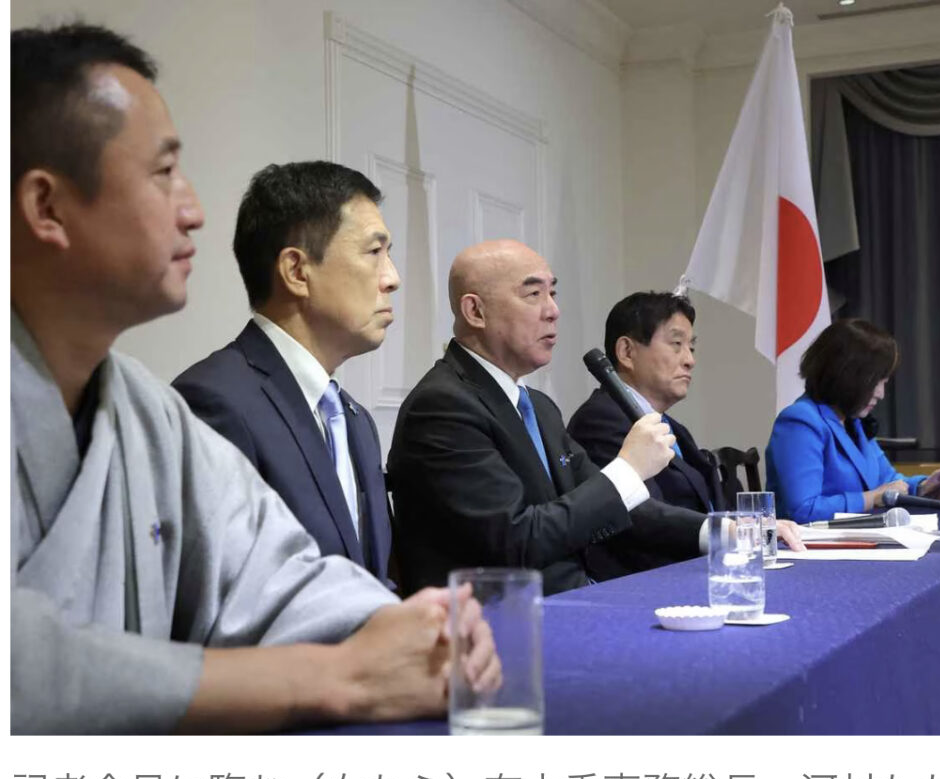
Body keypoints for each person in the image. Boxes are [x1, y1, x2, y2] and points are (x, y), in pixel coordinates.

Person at [11, 23, 498, 734]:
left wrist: (411, 631)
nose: (194, 210)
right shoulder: (212, 398)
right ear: (47, 207)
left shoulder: (145, 410)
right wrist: (334, 676)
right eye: (163, 172)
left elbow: (276, 571)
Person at [387, 239, 708, 596]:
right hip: (502, 619)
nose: (553, 310)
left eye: (552, 293)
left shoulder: (539, 407)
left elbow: (619, 505)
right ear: (475, 311)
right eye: (533, 294)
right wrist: (629, 469)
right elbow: (517, 541)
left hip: (575, 600)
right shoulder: (442, 407)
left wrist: (720, 532)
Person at [174, 162, 395, 585]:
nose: (392, 278)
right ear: (296, 271)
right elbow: (221, 592)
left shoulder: (354, 419)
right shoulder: (214, 403)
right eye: (374, 252)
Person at [766, 318, 940, 523]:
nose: (881, 394)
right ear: (845, 376)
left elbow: (887, 480)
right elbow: (804, 509)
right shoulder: (800, 421)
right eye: (875, 382)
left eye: (884, 382)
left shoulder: (853, 422)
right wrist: (873, 498)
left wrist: (923, 487)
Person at [568, 291, 722, 514]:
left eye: (691, 347)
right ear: (627, 352)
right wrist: (717, 529)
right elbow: (644, 515)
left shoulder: (673, 427)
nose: (690, 360)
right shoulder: (600, 421)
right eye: (676, 343)